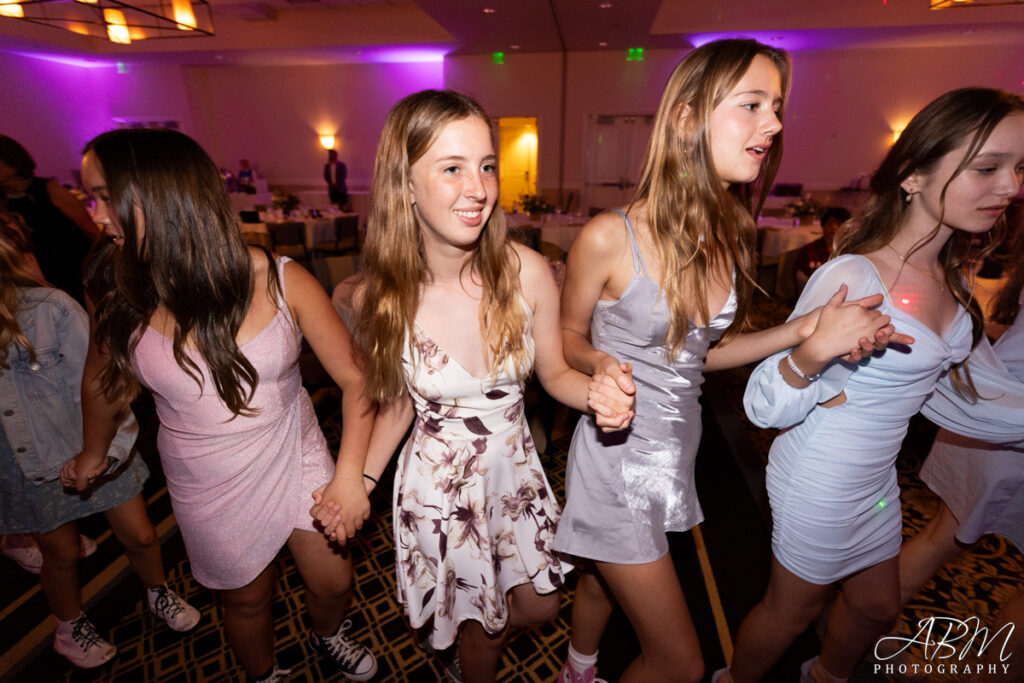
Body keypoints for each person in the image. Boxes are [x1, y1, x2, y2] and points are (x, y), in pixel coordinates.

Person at [553, 39, 908, 683]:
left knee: (605, 577)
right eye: (752, 105)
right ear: (686, 117)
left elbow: (699, 357)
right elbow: (566, 339)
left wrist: (804, 328)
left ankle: (577, 669)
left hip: (677, 447)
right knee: (680, 664)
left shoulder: (732, 232)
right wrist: (599, 364)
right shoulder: (611, 235)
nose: (773, 124)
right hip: (616, 457)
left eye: (776, 107)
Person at [313, 89, 635, 683]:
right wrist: (360, 482)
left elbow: (555, 374)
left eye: (486, 166)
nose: (478, 188)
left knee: (540, 608)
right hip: (441, 491)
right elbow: (397, 405)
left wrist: (597, 392)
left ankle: (471, 649)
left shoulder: (526, 272)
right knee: (485, 629)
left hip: (514, 475)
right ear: (405, 185)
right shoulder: (383, 297)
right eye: (452, 168)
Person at [725, 87, 1024, 683]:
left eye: (1020, 169)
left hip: (877, 482)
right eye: (988, 168)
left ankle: (824, 676)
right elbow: (765, 404)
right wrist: (813, 355)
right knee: (790, 612)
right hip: (821, 479)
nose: (1011, 187)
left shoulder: (951, 278)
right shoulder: (856, 275)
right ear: (912, 175)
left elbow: (976, 392)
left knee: (876, 607)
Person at [66, 128, 378, 682]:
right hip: (206, 475)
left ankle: (327, 633)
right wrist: (93, 452)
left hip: (294, 447)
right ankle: (263, 675)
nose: (97, 215)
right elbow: (99, 380)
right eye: (92, 197)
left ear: (164, 195)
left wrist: (351, 477)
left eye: (107, 197)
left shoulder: (279, 278)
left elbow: (358, 379)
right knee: (247, 598)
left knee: (333, 580)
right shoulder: (116, 287)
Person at [0, 207, 200, 669]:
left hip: (94, 443)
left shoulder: (51, 308)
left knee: (141, 535)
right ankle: (69, 625)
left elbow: (104, 383)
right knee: (61, 553)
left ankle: (157, 591)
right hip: (30, 462)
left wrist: (106, 453)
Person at [894, 215, 1024, 683]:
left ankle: (850, 636)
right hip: (1003, 415)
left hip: (996, 403)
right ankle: (850, 638)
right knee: (943, 537)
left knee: (941, 537)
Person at [0, 135, 99, 305]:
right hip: (40, 282)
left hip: (74, 271)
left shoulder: (49, 189)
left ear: (12, 161)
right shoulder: (3, 203)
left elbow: (91, 231)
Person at [793, 206, 852, 290]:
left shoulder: (851, 251)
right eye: (830, 224)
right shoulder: (809, 250)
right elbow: (800, 279)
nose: (833, 227)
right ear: (823, 226)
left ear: (846, 229)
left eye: (838, 224)